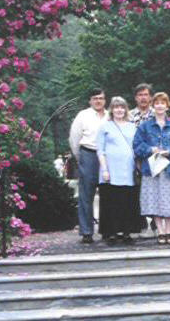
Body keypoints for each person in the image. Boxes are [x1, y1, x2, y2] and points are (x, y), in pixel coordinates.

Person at [133, 92, 170, 245]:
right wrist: (151, 149)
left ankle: (169, 230)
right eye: (157, 103)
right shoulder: (145, 127)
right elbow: (137, 145)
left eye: (163, 103)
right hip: (152, 168)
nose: (160, 105)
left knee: (169, 200)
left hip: (169, 168)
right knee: (154, 199)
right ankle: (160, 231)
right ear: (153, 106)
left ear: (168, 106)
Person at [95, 96, 138, 245]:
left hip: (128, 170)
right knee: (111, 203)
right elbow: (100, 150)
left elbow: (136, 147)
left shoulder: (132, 126)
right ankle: (111, 232)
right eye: (116, 107)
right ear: (111, 110)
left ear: (125, 109)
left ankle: (126, 232)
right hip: (110, 170)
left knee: (126, 202)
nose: (119, 110)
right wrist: (105, 169)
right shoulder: (105, 127)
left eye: (122, 107)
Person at [68, 88, 108, 244]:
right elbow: (74, 138)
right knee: (86, 194)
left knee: (108, 194)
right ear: (90, 101)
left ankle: (107, 230)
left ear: (105, 100)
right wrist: (80, 157)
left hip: (107, 156)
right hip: (88, 153)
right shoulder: (82, 116)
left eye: (101, 98)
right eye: (95, 98)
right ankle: (86, 231)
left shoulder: (110, 115)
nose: (98, 101)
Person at [129, 83, 155, 236]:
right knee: (137, 191)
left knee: (153, 190)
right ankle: (141, 225)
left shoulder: (157, 113)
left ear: (150, 97)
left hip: (154, 158)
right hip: (133, 158)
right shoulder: (129, 115)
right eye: (140, 95)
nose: (143, 98)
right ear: (135, 98)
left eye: (146, 94)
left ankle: (156, 225)